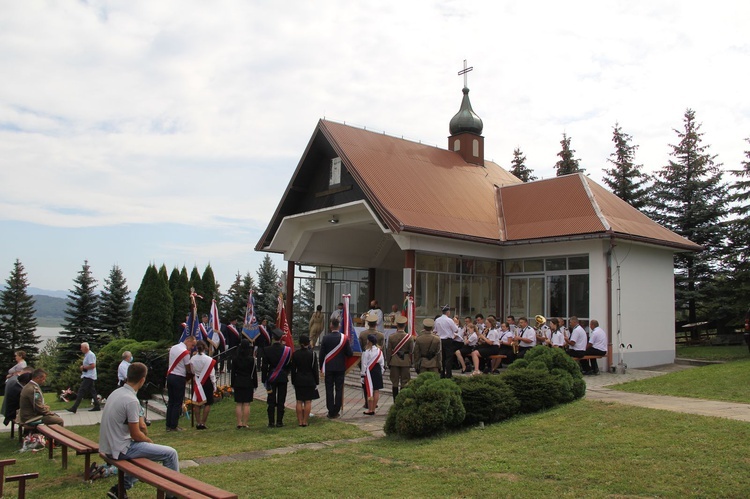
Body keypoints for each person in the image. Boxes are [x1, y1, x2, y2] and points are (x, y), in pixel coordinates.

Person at [100, 362, 180, 499]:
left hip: (108, 445)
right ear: (142, 380)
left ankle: (120, 488)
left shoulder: (116, 392)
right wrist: (149, 442)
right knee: (170, 454)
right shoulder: (131, 400)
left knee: (149, 453)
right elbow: (136, 434)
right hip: (120, 448)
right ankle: (172, 495)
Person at [319, 318, 353, 419]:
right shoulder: (344, 338)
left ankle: (330, 410)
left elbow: (321, 355)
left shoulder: (325, 338)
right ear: (339, 326)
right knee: (339, 389)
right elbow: (350, 353)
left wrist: (321, 367)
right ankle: (336, 410)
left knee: (329, 389)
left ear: (330, 326)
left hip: (329, 367)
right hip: (340, 367)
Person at [262, 328, 292, 427]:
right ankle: (279, 422)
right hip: (282, 377)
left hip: (271, 377)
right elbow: (288, 365)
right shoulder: (287, 350)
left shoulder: (267, 349)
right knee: (281, 399)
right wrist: (285, 373)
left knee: (271, 400)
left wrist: (264, 379)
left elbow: (264, 366)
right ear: (280, 338)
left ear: (273, 337)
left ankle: (271, 422)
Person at [165, 334, 196, 431]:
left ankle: (168, 424)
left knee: (171, 402)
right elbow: (187, 367)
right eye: (192, 345)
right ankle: (174, 425)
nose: (192, 347)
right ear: (189, 341)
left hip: (170, 376)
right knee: (177, 403)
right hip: (179, 377)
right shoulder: (185, 352)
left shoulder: (174, 347)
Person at [291, 334, 319, 426]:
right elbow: (315, 369)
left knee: (299, 401)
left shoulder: (295, 354)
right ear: (308, 343)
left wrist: (293, 381)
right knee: (308, 401)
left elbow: (293, 370)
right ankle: (305, 421)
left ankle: (299, 421)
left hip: (298, 379)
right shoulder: (313, 354)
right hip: (310, 380)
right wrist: (316, 381)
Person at [189, 341, 216, 430]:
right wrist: (214, 384)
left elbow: (192, 371)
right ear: (205, 348)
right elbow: (212, 374)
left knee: (197, 403)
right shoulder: (208, 359)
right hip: (207, 381)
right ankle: (203, 423)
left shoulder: (192, 359)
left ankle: (198, 422)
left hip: (197, 381)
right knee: (207, 403)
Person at [230, 338, 257, 429]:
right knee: (246, 404)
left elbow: (233, 373)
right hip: (248, 382)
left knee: (238, 403)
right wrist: (255, 384)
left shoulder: (235, 359)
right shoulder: (251, 360)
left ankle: (239, 422)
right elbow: (254, 373)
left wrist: (232, 383)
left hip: (238, 381)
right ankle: (245, 423)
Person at [385, 315, 413, 399]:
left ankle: (395, 401)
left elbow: (389, 351)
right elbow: (411, 350)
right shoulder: (409, 337)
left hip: (394, 361)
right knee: (405, 382)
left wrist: (388, 361)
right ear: (405, 325)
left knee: (395, 382)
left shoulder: (391, 337)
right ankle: (403, 400)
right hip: (405, 361)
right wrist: (411, 362)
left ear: (397, 325)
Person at [68, 342, 100, 413]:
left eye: (82, 347)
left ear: (86, 348)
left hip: (89, 376)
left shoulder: (90, 355)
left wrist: (84, 367)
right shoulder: (87, 355)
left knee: (81, 391)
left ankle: (74, 407)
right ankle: (97, 405)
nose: (81, 349)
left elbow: (93, 365)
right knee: (92, 391)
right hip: (87, 375)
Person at [361, 334, 384, 415]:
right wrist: (381, 372)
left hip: (369, 371)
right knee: (376, 390)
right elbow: (382, 363)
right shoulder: (379, 351)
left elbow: (364, 364)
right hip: (377, 370)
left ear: (369, 341)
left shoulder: (366, 352)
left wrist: (362, 375)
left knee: (369, 390)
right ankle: (374, 409)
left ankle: (370, 409)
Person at [434, 305, 459, 378]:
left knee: (442, 357)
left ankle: (442, 373)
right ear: (447, 312)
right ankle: (448, 374)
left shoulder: (437, 320)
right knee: (449, 357)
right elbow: (456, 330)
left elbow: (435, 330)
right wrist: (456, 324)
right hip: (448, 340)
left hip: (440, 340)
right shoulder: (449, 320)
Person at [2, 350, 27, 418]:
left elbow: (19, 373)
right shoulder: (19, 364)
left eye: (16, 355)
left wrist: (11, 375)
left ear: (20, 356)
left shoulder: (22, 364)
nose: (15, 357)